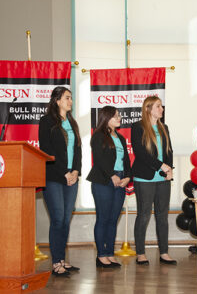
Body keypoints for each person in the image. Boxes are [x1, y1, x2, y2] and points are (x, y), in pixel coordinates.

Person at [39, 86, 82, 276]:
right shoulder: (46, 121)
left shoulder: (72, 123)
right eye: (67, 98)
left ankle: (62, 260)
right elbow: (47, 150)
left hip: (71, 177)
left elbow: (78, 150)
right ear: (57, 101)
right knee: (57, 219)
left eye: (71, 98)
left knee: (65, 220)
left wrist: (76, 171)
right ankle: (56, 262)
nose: (70, 101)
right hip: (54, 177)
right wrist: (65, 172)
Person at [131, 96, 176, 265]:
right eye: (158, 106)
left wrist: (169, 168)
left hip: (163, 178)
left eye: (161, 107)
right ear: (148, 109)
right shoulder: (138, 127)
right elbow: (141, 153)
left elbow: (169, 150)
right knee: (143, 215)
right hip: (144, 177)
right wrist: (161, 166)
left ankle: (164, 252)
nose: (161, 109)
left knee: (162, 216)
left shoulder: (164, 127)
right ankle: (140, 253)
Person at [87, 106, 131, 268]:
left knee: (113, 220)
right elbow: (99, 159)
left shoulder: (120, 138)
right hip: (103, 181)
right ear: (106, 118)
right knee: (103, 218)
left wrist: (127, 177)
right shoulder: (98, 136)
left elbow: (126, 160)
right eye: (115, 116)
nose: (119, 118)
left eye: (119, 115)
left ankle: (110, 253)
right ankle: (101, 255)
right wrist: (112, 174)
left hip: (120, 181)